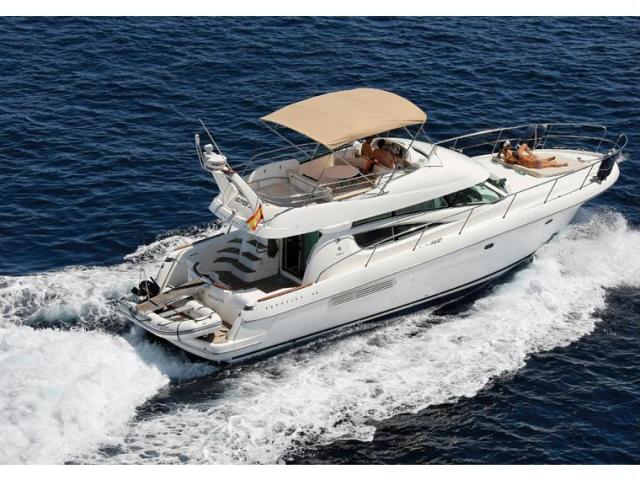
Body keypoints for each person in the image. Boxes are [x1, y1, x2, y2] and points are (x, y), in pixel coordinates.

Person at [500, 140, 568, 169]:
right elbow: (508, 160)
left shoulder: (515, 157)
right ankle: (560, 163)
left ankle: (548, 160)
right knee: (551, 163)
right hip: (534, 163)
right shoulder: (512, 157)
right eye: (508, 146)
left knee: (549, 163)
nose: (509, 148)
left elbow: (508, 158)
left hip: (532, 162)